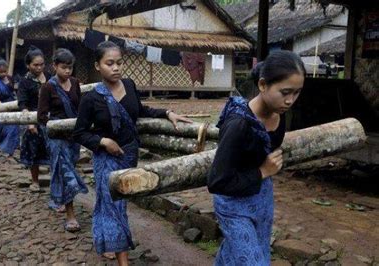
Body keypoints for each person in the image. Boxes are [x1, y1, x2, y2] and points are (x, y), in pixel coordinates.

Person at [73, 41, 191, 265]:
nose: (116, 68)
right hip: (106, 159)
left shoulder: (129, 85)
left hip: (128, 155)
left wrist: (167, 112)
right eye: (109, 63)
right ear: (98, 66)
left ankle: (111, 242)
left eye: (119, 63)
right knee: (112, 205)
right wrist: (103, 141)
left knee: (118, 204)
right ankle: (123, 260)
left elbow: (141, 109)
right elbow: (79, 133)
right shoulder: (91, 98)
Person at [207, 50, 305, 266]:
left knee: (244, 254)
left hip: (262, 198)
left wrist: (264, 173)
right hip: (233, 205)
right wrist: (263, 171)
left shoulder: (279, 110)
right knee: (253, 262)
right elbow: (217, 181)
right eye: (285, 92)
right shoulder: (239, 124)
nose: (290, 101)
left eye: (297, 93)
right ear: (262, 85)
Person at [37, 48, 88, 230]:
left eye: (70, 68)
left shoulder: (75, 83)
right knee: (66, 173)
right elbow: (42, 116)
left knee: (67, 169)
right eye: (64, 67)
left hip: (73, 137)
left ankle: (60, 199)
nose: (68, 71)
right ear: (55, 66)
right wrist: (57, 125)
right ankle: (70, 215)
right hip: (57, 138)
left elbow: (80, 108)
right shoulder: (48, 87)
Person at [17, 46, 50, 192]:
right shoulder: (25, 82)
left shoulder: (49, 77)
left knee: (53, 150)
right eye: (35, 65)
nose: (39, 67)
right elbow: (22, 103)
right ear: (28, 65)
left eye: (41, 64)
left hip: (51, 119)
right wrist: (30, 122)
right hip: (33, 120)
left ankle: (55, 181)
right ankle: (35, 181)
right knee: (33, 151)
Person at [0, 59, 20, 161]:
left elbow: (13, 91)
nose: (3, 74)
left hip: (10, 105)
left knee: (13, 128)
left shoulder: (10, 78)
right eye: (1, 72)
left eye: (5, 71)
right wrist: (0, 104)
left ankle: (10, 153)